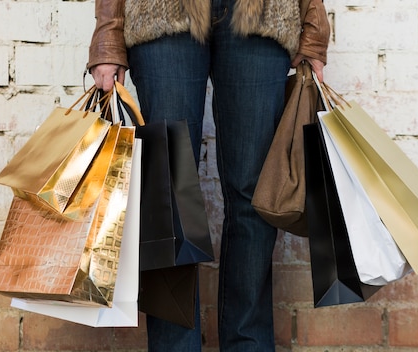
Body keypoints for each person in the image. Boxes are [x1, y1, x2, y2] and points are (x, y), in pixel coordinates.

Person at [87, 0, 330, 350]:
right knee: (169, 193)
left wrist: (313, 27)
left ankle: (249, 344)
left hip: (263, 11)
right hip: (163, 12)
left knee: (256, 196)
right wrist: (108, 36)